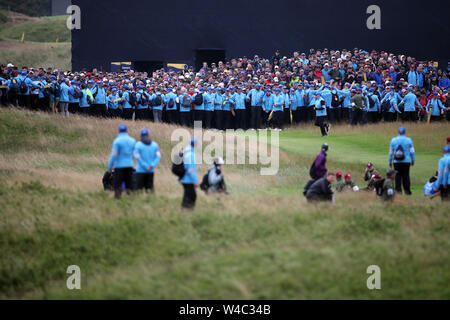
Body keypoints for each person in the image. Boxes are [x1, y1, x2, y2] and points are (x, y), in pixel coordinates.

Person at [107, 124, 136, 199]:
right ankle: (130, 198)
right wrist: (130, 159)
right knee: (129, 183)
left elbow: (114, 155)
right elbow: (134, 154)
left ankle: (117, 198)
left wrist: (110, 166)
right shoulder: (132, 140)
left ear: (119, 131)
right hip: (129, 165)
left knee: (118, 184)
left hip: (119, 166)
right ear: (127, 131)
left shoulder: (117, 141)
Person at [388, 127, 415, 195]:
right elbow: (412, 152)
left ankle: (398, 191)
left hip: (397, 162)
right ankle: (407, 191)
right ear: (404, 132)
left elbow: (391, 152)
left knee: (397, 176)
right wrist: (413, 160)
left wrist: (390, 161)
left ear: (398, 132)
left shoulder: (393, 140)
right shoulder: (409, 140)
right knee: (406, 176)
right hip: (406, 161)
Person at [133, 129, 161, 193]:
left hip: (140, 171)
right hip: (151, 171)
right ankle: (151, 201)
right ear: (148, 135)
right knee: (150, 189)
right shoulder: (155, 145)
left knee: (138, 190)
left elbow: (137, 157)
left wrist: (145, 166)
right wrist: (152, 165)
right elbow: (158, 156)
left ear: (140, 135)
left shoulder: (138, 145)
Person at [180, 138, 198, 209]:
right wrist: (195, 180)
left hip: (184, 178)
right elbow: (190, 169)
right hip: (188, 179)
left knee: (187, 194)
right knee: (193, 195)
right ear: (195, 144)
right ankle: (187, 209)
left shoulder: (186, 152)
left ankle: (184, 208)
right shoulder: (191, 154)